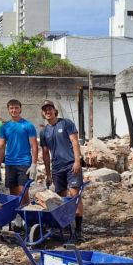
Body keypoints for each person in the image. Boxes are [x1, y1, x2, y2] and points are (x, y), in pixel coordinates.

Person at [40, 99, 85, 241]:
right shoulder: (44, 132)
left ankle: (78, 230)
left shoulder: (66, 123)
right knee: (61, 198)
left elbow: (74, 142)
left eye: (50, 108)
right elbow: (46, 154)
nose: (48, 111)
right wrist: (48, 173)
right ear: (43, 113)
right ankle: (65, 225)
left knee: (74, 195)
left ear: (55, 110)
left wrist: (77, 161)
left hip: (71, 165)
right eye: (45, 109)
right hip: (57, 168)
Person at [0, 99, 38, 202]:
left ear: (20, 109)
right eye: (11, 108)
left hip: (24, 163)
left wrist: (34, 164)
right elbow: (1, 147)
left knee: (23, 193)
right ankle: (16, 217)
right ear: (8, 110)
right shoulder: (4, 127)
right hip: (10, 164)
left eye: (16, 108)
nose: (14, 110)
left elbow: (34, 146)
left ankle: (25, 216)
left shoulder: (28, 125)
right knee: (13, 194)